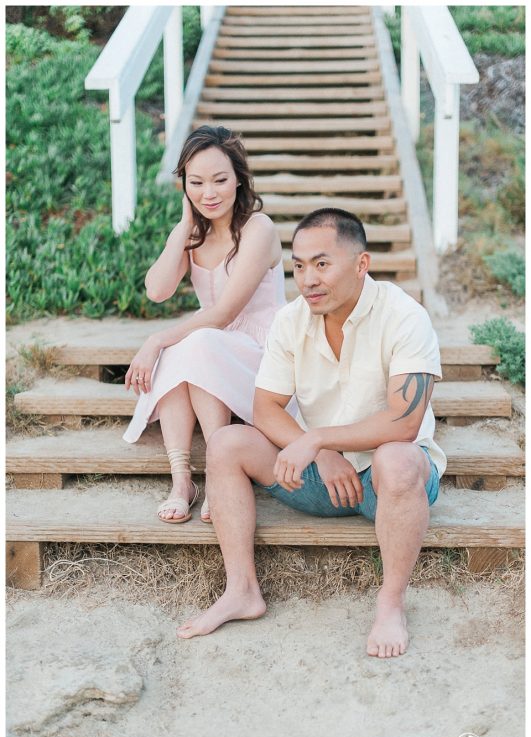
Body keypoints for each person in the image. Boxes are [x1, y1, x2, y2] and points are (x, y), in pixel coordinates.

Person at [176, 208, 447, 659]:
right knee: (226, 443)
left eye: (322, 264)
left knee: (396, 459)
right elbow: (265, 408)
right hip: (320, 479)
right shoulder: (291, 320)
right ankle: (242, 590)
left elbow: (405, 422)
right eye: (298, 266)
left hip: (389, 485)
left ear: (361, 264)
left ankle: (391, 603)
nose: (307, 279)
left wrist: (319, 439)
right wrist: (319, 453)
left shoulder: (404, 315)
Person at [123, 125, 286, 525]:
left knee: (191, 344)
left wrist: (157, 339)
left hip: (262, 350)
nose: (208, 193)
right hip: (213, 339)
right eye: (196, 182)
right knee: (190, 346)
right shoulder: (192, 233)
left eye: (219, 180)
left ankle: (218, 473)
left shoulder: (257, 229)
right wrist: (183, 226)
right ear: (184, 185)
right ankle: (183, 480)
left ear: (239, 179)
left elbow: (226, 313)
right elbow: (157, 290)